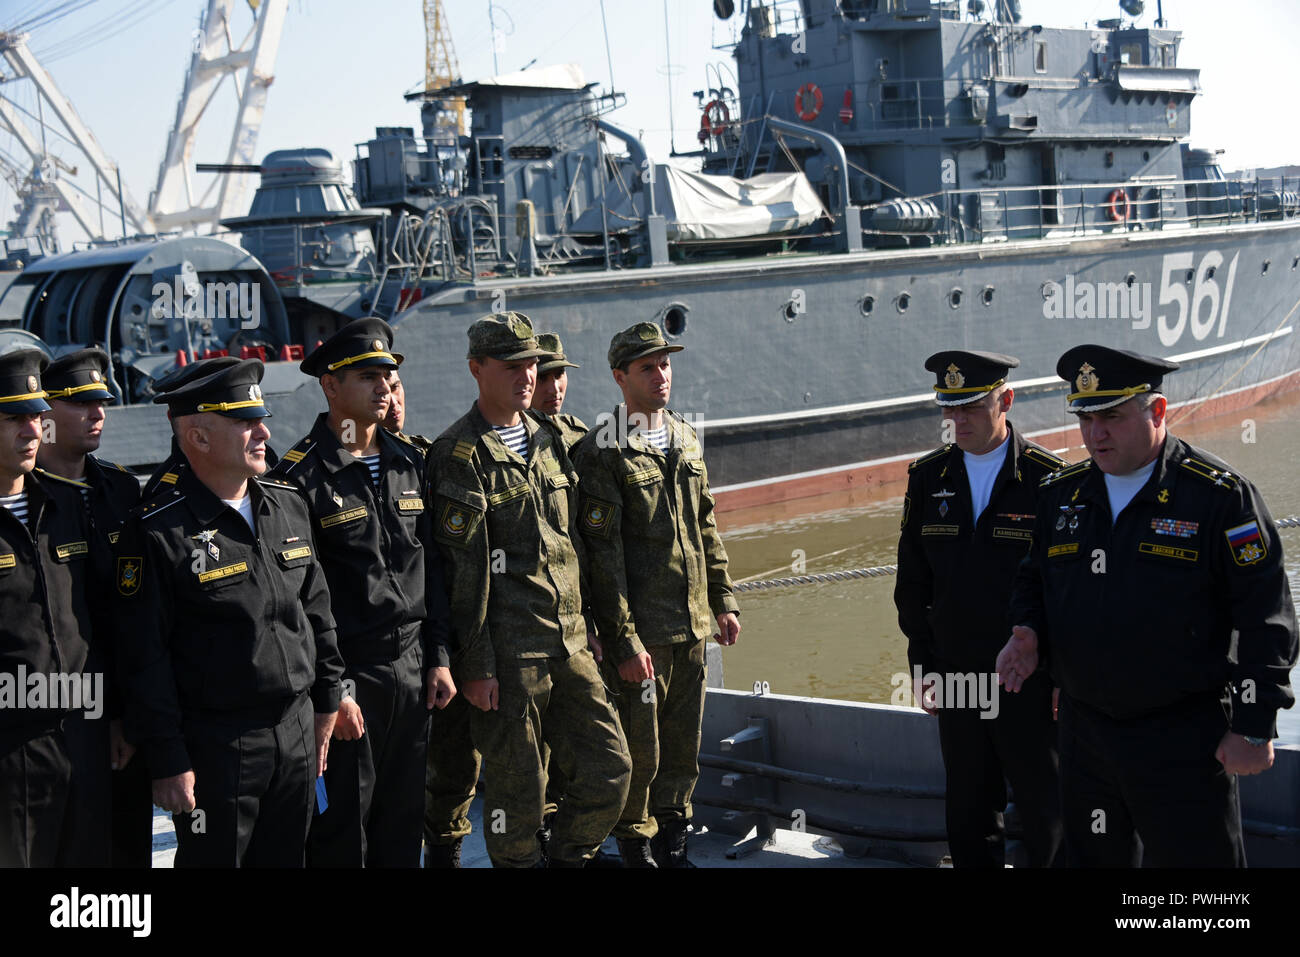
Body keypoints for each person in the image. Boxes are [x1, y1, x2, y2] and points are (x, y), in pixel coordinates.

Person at [998, 344, 1298, 867]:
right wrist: (1028, 633)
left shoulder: (1218, 497)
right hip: (1084, 736)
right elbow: (1034, 580)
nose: (1095, 435)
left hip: (1181, 738)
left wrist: (1254, 723)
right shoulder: (1060, 496)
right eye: (1086, 419)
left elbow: (1266, 616)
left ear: (1156, 411)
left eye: (1111, 417)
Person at [114, 359, 344, 867]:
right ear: (197, 437)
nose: (264, 431)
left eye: (260, 417)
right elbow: (144, 658)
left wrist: (329, 700)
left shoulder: (287, 504)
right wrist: (168, 758)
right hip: (217, 746)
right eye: (245, 421)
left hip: (298, 730)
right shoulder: (158, 532)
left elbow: (316, 611)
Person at [426, 311, 631, 868]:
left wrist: (588, 624)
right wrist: (477, 664)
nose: (527, 375)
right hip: (510, 660)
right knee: (517, 801)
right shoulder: (459, 455)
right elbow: (462, 576)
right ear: (477, 369)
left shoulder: (548, 440)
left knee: (610, 768)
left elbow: (571, 546)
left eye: (532, 364)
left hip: (568, 644)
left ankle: (567, 857)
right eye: (512, 365)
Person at [270, 317, 455, 867]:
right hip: (351, 677)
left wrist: (439, 656)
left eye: (388, 374)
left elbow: (434, 572)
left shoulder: (410, 463)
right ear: (330, 387)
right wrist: (335, 691)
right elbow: (300, 605)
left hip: (412, 667)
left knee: (402, 824)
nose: (383, 387)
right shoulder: (295, 481)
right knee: (344, 832)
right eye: (367, 375)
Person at [571, 321, 741, 868]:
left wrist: (723, 600)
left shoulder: (686, 437)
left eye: (665, 364)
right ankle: (635, 846)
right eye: (647, 367)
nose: (661, 375)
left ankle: (675, 844)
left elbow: (706, 526)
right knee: (640, 753)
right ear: (620, 377)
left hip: (691, 625)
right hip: (643, 636)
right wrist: (622, 641)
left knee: (682, 749)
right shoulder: (602, 452)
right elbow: (602, 559)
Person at [893, 350, 1064, 868]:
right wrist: (922, 667)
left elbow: (1064, 590)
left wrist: (1059, 673)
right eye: (949, 408)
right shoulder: (927, 478)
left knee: (1044, 808)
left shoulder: (1050, 481)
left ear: (1006, 400)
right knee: (968, 808)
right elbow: (912, 584)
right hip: (957, 673)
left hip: (1029, 678)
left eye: (970, 407)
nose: (957, 420)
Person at [38, 346, 150, 867]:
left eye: (101, 401)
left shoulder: (122, 490)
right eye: (80, 403)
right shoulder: (26, 500)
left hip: (127, 707)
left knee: (127, 851)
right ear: (44, 411)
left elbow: (137, 611)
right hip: (50, 717)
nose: (97, 412)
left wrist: (126, 714)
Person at [0, 349, 106, 867]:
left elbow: (97, 619)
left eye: (35, 417)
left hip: (83, 733)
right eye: (13, 419)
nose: (31, 431)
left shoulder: (65, 507)